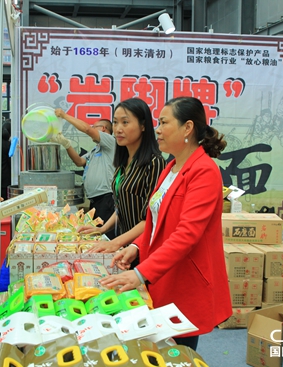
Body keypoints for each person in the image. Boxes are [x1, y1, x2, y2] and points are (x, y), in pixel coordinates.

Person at [99, 97, 232, 351]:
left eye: (163, 122)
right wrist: (137, 247)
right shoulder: (170, 167)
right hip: (161, 275)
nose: (157, 129)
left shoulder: (203, 171)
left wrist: (140, 273)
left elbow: (186, 234)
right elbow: (155, 221)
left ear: (188, 128)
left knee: (179, 350)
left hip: (184, 279)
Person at [81, 98, 165, 251]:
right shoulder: (123, 162)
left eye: (125, 122)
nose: (118, 129)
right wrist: (102, 229)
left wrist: (116, 242)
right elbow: (122, 206)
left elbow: (151, 218)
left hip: (143, 248)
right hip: (124, 247)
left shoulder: (154, 163)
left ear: (143, 126)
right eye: (115, 122)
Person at [51, 109, 116, 235]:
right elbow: (79, 162)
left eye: (94, 127)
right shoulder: (95, 150)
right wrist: (67, 144)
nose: (92, 128)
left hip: (107, 199)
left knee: (105, 237)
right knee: (94, 235)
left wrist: (64, 116)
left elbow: (87, 129)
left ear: (103, 129)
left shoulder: (110, 142)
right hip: (95, 200)